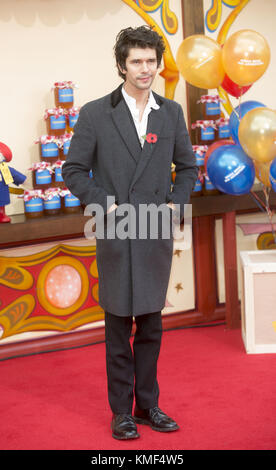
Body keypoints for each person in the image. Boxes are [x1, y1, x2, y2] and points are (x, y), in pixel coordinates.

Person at [62, 26, 198, 440]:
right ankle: (121, 411)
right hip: (117, 230)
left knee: (152, 327)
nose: (145, 69)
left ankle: (148, 405)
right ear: (122, 65)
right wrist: (107, 205)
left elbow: (188, 168)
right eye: (136, 61)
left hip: (155, 229)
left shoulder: (171, 113)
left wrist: (176, 202)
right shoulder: (95, 113)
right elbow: (72, 170)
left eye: (151, 61)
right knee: (119, 326)